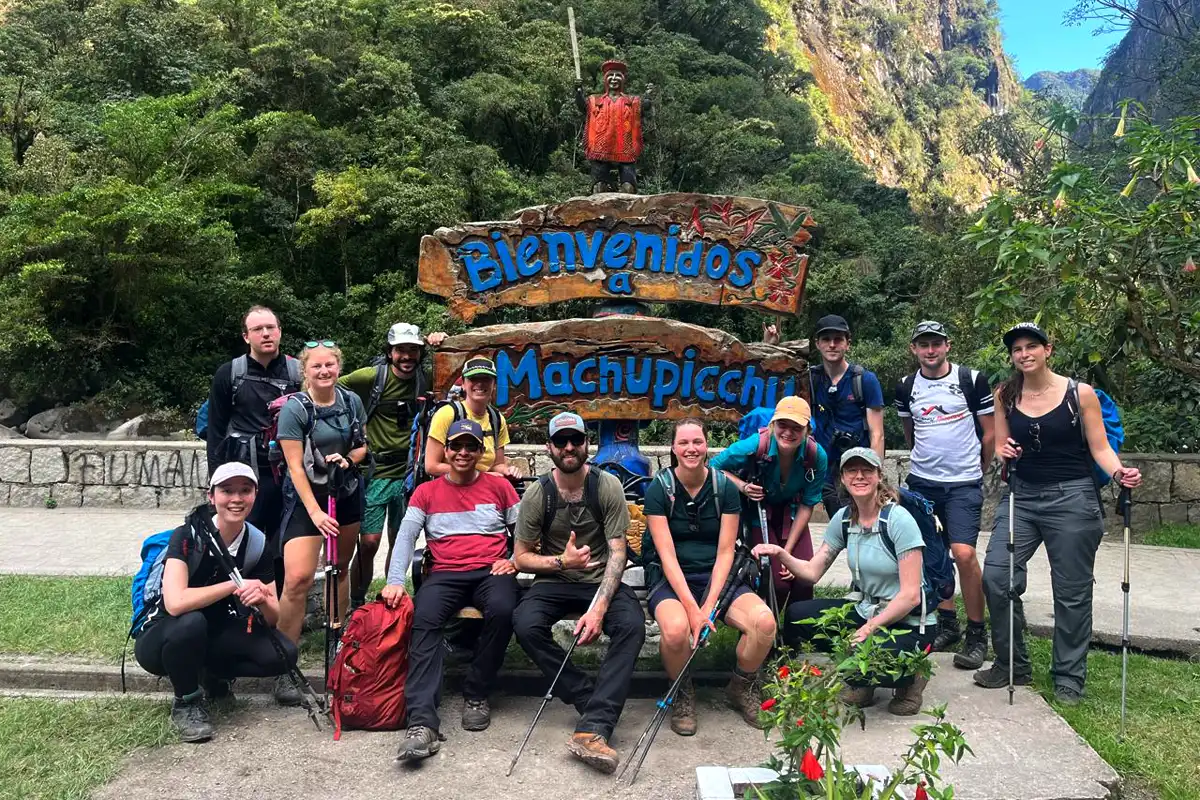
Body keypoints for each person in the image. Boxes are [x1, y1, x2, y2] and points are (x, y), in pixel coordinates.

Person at [974, 323, 1142, 705]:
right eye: (1017, 349)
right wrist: (1006, 452)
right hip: (1022, 495)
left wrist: (1119, 472)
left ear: (1048, 350)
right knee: (998, 577)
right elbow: (1000, 444)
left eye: (1032, 346)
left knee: (1072, 592)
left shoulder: (1078, 393)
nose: (1024, 353)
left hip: (1073, 496)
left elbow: (1100, 447)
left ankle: (1068, 676)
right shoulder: (1005, 393)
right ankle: (1011, 663)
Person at [755, 448, 935, 715]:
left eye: (867, 471)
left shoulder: (899, 520)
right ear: (842, 477)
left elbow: (911, 596)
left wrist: (870, 627)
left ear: (879, 476)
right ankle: (858, 679)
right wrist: (782, 554)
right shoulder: (843, 519)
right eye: (852, 470)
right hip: (867, 610)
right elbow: (813, 571)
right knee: (796, 617)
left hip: (909, 622)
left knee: (864, 650)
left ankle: (912, 678)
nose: (859, 476)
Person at [511, 412, 644, 774]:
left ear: (588, 444)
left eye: (576, 440)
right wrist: (561, 562)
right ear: (549, 447)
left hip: (600, 580)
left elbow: (618, 551)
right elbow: (520, 557)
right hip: (556, 580)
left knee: (632, 625)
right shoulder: (540, 493)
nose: (569, 447)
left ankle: (594, 727)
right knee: (524, 623)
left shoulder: (607, 486)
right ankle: (586, 694)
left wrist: (599, 609)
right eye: (561, 441)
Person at [383, 419, 520, 762]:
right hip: (444, 573)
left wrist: (516, 560)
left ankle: (476, 692)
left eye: (470, 447)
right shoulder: (426, 492)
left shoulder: (500, 487)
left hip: (491, 570)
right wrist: (395, 579)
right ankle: (422, 722)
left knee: (504, 609)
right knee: (424, 617)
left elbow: (526, 532)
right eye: (456, 446)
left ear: (480, 452)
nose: (462, 453)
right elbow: (405, 538)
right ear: (445, 450)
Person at [135, 462, 298, 743]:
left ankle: (211, 676)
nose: (236, 499)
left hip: (215, 631)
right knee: (190, 623)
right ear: (211, 496)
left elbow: (273, 617)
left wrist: (262, 600)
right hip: (164, 635)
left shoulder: (257, 543)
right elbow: (175, 603)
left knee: (283, 653)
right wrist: (234, 585)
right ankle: (186, 701)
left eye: (245, 491)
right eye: (226, 491)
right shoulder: (187, 536)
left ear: (255, 495)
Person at [643, 418, 776, 736]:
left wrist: (710, 605)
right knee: (675, 632)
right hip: (671, 577)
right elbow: (667, 556)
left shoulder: (725, 488)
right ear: (673, 448)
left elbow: (726, 551)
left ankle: (741, 685)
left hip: (718, 576)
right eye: (684, 442)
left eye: (697, 442)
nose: (691, 448)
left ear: (707, 446)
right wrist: (693, 610)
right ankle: (682, 690)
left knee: (764, 624)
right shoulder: (659, 489)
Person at [895, 320, 995, 670]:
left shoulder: (971, 379)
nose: (930, 350)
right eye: (923, 344)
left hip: (964, 483)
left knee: (964, 554)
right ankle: (947, 622)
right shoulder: (907, 386)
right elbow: (911, 434)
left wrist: (976, 469)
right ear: (914, 349)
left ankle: (977, 633)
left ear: (947, 345)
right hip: (923, 482)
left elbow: (989, 433)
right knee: (931, 555)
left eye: (936, 343)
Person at [275, 342, 367, 693]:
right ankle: (285, 660)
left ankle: (336, 636)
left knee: (339, 568)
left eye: (329, 365)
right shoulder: (295, 409)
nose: (324, 371)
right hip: (306, 501)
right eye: (317, 366)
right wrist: (314, 513)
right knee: (297, 578)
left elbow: (361, 445)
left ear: (338, 367)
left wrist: (349, 460)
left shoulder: (350, 402)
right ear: (305, 371)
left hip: (343, 493)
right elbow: (295, 467)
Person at [338, 323, 446, 609]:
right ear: (390, 352)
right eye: (401, 350)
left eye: (413, 350)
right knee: (370, 541)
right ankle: (357, 602)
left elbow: (460, 373)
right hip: (375, 472)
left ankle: (389, 603)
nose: (407, 356)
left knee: (400, 542)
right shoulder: (372, 377)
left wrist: (443, 346)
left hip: (410, 474)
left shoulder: (426, 379)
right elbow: (330, 385)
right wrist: (352, 426)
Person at [710, 396, 828, 603]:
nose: (788, 433)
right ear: (772, 425)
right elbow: (713, 466)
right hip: (758, 512)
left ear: (807, 431)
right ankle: (767, 628)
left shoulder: (816, 456)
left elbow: (808, 504)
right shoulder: (757, 444)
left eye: (797, 428)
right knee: (777, 582)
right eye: (782, 425)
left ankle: (798, 632)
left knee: (804, 578)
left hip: (793, 515)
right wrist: (743, 487)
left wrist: (787, 554)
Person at [205, 305, 302, 545]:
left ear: (280, 331)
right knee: (245, 541)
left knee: (284, 543)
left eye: (271, 327)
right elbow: (216, 431)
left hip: (290, 472)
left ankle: (280, 584)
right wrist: (218, 481)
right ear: (246, 337)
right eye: (258, 329)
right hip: (246, 472)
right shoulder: (229, 374)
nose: (266, 333)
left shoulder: (298, 373)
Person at [807, 314, 885, 518]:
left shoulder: (864, 380)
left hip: (857, 467)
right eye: (826, 339)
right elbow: (773, 377)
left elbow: (877, 433)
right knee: (841, 526)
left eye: (838, 339)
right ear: (817, 344)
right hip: (822, 468)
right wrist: (770, 345)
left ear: (848, 343)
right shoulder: (809, 379)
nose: (832, 345)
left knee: (861, 525)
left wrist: (876, 473)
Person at [424, 355, 521, 480]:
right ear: (463, 384)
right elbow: (431, 466)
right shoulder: (447, 414)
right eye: (473, 378)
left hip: (484, 489)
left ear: (494, 384)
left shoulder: (496, 419)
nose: (480, 383)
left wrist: (508, 471)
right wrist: (481, 476)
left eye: (486, 379)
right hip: (452, 488)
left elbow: (497, 464)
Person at [574, 59, 655, 194]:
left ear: (623, 79)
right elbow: (583, 106)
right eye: (610, 75)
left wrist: (648, 97)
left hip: (625, 147)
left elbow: (643, 108)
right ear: (605, 79)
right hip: (601, 147)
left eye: (618, 75)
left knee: (628, 188)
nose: (614, 78)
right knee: (598, 188)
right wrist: (578, 92)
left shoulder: (632, 101)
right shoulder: (595, 100)